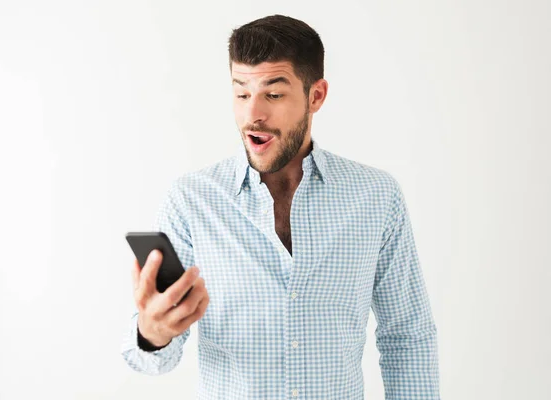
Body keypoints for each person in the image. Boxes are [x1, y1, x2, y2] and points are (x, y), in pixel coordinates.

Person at [121, 14, 441, 400]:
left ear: (316, 96)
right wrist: (153, 332)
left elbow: (407, 335)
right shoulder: (191, 201)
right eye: (241, 93)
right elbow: (152, 359)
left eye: (273, 94)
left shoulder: (376, 196)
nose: (252, 113)